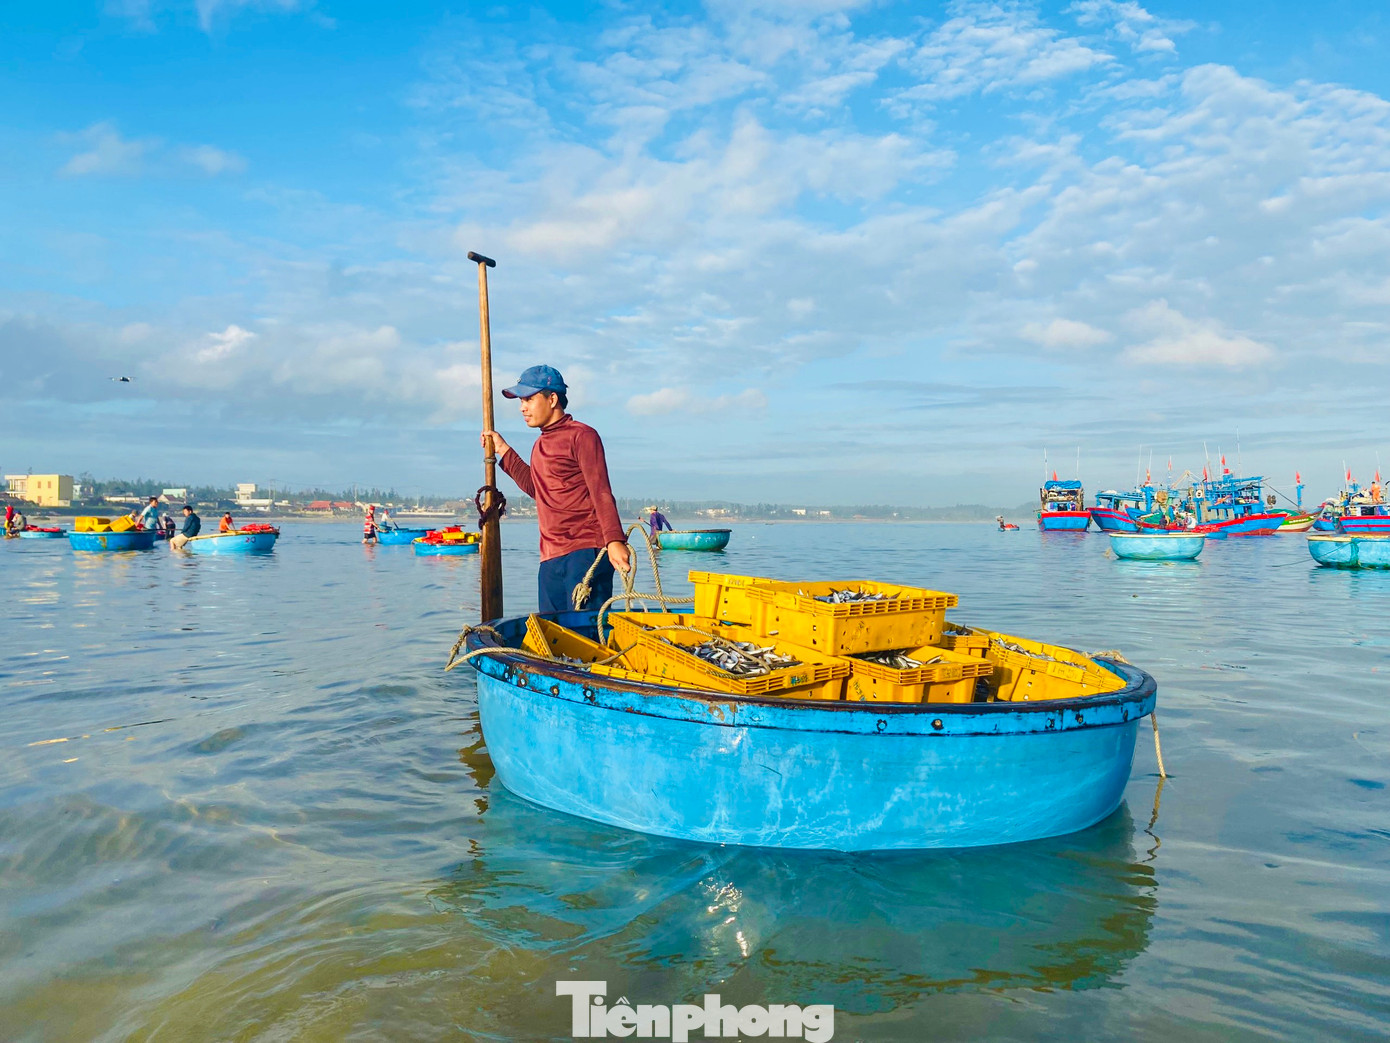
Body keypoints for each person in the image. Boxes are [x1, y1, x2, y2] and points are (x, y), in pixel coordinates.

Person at [482, 364, 631, 614]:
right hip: (550, 557)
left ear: (552, 399)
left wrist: (614, 540)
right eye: (520, 401)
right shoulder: (540, 445)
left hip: (585, 552)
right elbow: (537, 487)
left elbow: (601, 491)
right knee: (556, 639)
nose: (522, 407)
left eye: (529, 399)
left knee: (585, 636)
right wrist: (503, 449)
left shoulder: (582, 436)